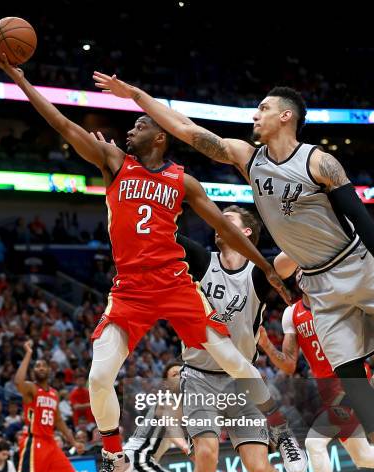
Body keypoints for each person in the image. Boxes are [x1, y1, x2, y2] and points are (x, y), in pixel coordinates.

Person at [0, 52, 290, 472]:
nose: (129, 129)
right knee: (98, 376)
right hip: (129, 289)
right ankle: (112, 454)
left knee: (234, 362)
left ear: (160, 137)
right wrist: (19, 80)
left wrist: (266, 266)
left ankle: (280, 428)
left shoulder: (182, 181)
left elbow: (226, 229)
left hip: (174, 284)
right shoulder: (114, 163)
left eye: (139, 125)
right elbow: (63, 126)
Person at [94, 74, 374, 441]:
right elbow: (183, 127)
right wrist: (133, 94)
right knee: (353, 382)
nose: (255, 116)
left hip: (357, 263)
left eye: (263, 109)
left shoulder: (318, 162)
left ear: (286, 117)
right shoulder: (248, 158)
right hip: (317, 282)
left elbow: (361, 219)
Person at [174, 209, 331, 472]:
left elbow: (290, 254)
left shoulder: (259, 273)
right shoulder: (199, 259)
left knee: (259, 466)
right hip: (198, 375)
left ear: (245, 231)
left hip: (242, 378)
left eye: (226, 217)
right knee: (206, 456)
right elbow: (164, 233)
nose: (216, 221)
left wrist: (310, 213)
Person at [258, 284, 374, 472]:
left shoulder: (336, 300)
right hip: (328, 390)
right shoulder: (292, 313)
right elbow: (288, 364)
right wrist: (265, 344)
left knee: (314, 443)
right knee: (363, 456)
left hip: (350, 381)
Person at [0, 341, 113, 472]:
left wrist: (73, 441)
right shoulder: (31, 389)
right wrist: (28, 354)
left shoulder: (53, 394)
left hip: (50, 443)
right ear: (34, 371)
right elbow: (17, 381)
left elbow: (58, 421)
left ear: (49, 370)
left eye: (43, 365)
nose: (40, 368)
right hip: (34, 443)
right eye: (37, 366)